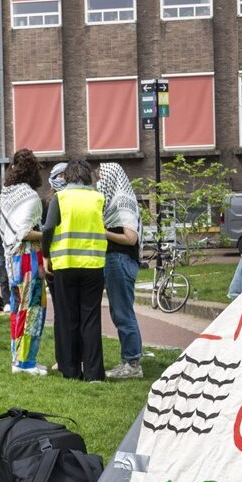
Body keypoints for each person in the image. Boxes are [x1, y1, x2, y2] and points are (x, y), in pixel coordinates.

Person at [42, 160, 107, 382]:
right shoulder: (99, 198)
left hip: (65, 263)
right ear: (88, 176)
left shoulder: (60, 198)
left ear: (68, 177)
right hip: (94, 265)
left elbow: (49, 227)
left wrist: (45, 254)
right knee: (91, 318)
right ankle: (94, 373)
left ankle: (70, 370)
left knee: (68, 317)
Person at [0, 150, 48, 376]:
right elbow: (25, 232)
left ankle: (16, 358)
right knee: (33, 309)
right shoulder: (30, 196)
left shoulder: (7, 194)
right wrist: (48, 234)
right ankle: (27, 362)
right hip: (28, 257)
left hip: (12, 258)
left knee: (18, 309)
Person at [97, 162, 146, 380]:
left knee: (123, 313)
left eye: (101, 177)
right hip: (117, 260)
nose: (99, 181)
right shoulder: (117, 200)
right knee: (119, 312)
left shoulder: (122, 201)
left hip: (120, 259)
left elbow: (130, 237)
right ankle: (127, 360)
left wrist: (102, 232)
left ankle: (133, 363)